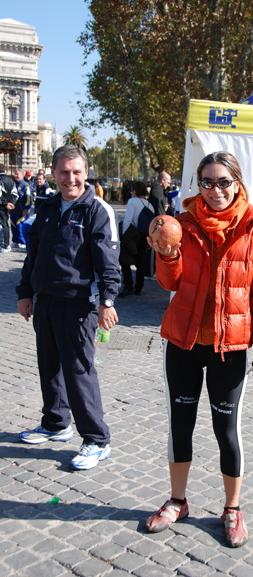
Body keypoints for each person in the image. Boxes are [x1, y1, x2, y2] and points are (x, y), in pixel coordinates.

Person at [145, 151, 253, 547]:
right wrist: (167, 255)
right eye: (207, 182)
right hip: (183, 343)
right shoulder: (182, 224)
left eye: (223, 182)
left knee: (227, 430)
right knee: (180, 425)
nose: (215, 190)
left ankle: (233, 509)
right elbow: (169, 283)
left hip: (231, 347)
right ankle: (177, 501)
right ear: (198, 185)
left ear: (237, 182)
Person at [16, 145, 121, 471]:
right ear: (54, 173)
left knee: (78, 373)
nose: (70, 179)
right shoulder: (47, 207)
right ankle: (56, 422)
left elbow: (108, 264)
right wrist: (26, 292)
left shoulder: (96, 210)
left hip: (79, 304)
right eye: (64, 172)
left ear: (85, 173)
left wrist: (107, 301)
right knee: (49, 366)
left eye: (76, 172)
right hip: (45, 301)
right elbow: (32, 256)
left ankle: (96, 439)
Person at [119, 180, 154, 296]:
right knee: (141, 263)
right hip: (144, 236)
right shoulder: (149, 205)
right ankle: (139, 287)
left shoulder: (132, 201)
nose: (131, 192)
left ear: (135, 190)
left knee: (124, 260)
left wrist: (123, 235)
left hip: (133, 235)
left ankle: (128, 285)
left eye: (132, 190)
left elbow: (128, 219)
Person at [10, 169, 32, 248]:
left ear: (22, 175)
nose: (16, 176)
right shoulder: (13, 184)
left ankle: (22, 242)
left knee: (20, 227)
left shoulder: (25, 185)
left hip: (21, 210)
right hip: (13, 210)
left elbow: (28, 198)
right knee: (13, 226)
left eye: (17, 174)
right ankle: (15, 241)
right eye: (15, 174)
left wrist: (26, 208)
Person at [0, 163, 18, 252]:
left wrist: (5, 203)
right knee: (6, 224)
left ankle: (3, 245)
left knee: (3, 224)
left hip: (1, 205)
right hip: (7, 206)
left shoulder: (0, 180)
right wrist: (12, 203)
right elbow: (15, 194)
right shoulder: (11, 180)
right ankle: (6, 244)